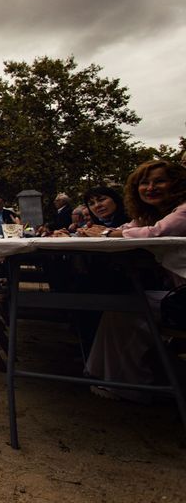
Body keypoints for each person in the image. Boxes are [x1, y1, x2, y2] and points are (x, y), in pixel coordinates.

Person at [82, 160, 186, 400]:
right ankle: (109, 376)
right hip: (177, 295)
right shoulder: (155, 214)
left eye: (159, 181)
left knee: (125, 308)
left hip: (181, 300)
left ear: (177, 183)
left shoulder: (181, 211)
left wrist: (107, 233)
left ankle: (131, 384)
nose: (150, 187)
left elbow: (156, 232)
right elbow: (128, 227)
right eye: (144, 183)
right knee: (119, 307)